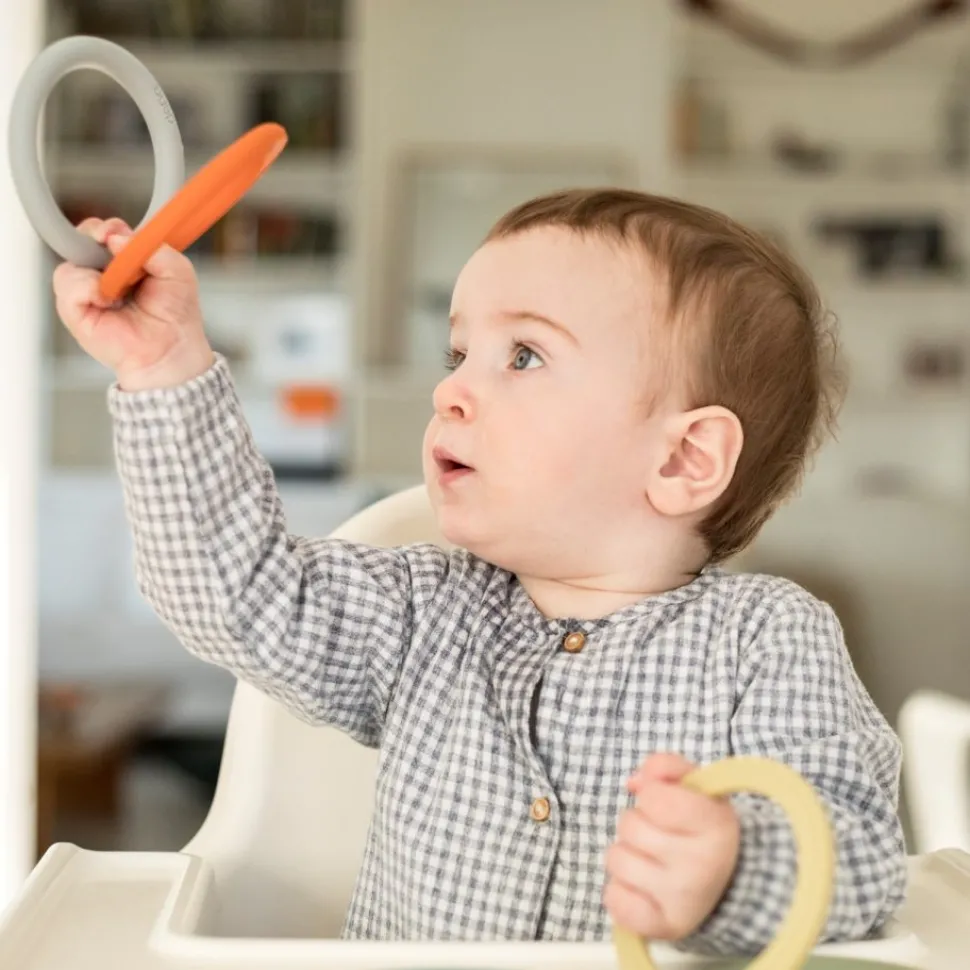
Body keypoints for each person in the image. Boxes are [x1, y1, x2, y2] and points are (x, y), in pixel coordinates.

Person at [51, 188, 906, 953]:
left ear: (685, 458)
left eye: (523, 356)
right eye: (457, 355)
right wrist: (166, 371)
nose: (450, 393)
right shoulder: (424, 606)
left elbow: (862, 858)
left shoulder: (770, 640)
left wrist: (732, 865)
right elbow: (234, 593)